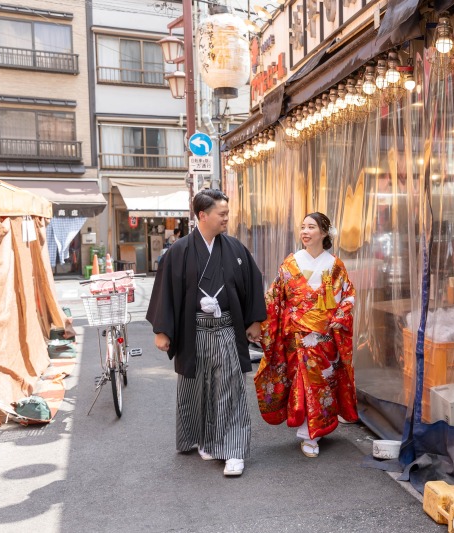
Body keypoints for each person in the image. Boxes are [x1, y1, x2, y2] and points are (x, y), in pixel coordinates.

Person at [146, 189, 266, 476]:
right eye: (221, 214)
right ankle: (201, 439)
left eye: (227, 213)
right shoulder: (179, 251)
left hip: (225, 329)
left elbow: (253, 282)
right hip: (194, 332)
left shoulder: (236, 249)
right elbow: (166, 291)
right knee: (195, 389)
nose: (226, 218)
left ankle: (234, 450)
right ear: (203, 215)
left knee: (231, 388)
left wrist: (255, 321)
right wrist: (162, 330)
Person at [254, 212, 358, 458]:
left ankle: (316, 429)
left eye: (311, 227)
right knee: (302, 381)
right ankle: (308, 432)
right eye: (302, 227)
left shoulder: (335, 265)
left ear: (324, 232)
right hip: (296, 335)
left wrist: (338, 319)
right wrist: (263, 324)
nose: (305, 231)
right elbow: (274, 297)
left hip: (324, 335)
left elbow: (348, 296)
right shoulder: (290, 263)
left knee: (321, 383)